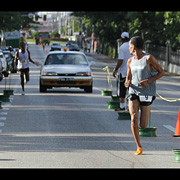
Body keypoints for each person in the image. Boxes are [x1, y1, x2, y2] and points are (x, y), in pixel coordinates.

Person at [125, 36, 164, 155]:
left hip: (147, 92)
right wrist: (127, 82)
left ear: (134, 47)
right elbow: (128, 76)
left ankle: (145, 112)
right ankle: (139, 146)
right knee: (133, 118)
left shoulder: (148, 58)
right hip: (133, 91)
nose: (129, 49)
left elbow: (161, 72)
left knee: (143, 125)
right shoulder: (130, 61)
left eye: (129, 46)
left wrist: (149, 81)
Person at [113, 32, 132, 111]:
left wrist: (115, 69)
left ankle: (122, 107)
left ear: (121, 39)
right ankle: (130, 108)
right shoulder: (132, 46)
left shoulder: (122, 47)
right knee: (131, 91)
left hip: (123, 72)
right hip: (132, 72)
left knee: (122, 91)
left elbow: (121, 60)